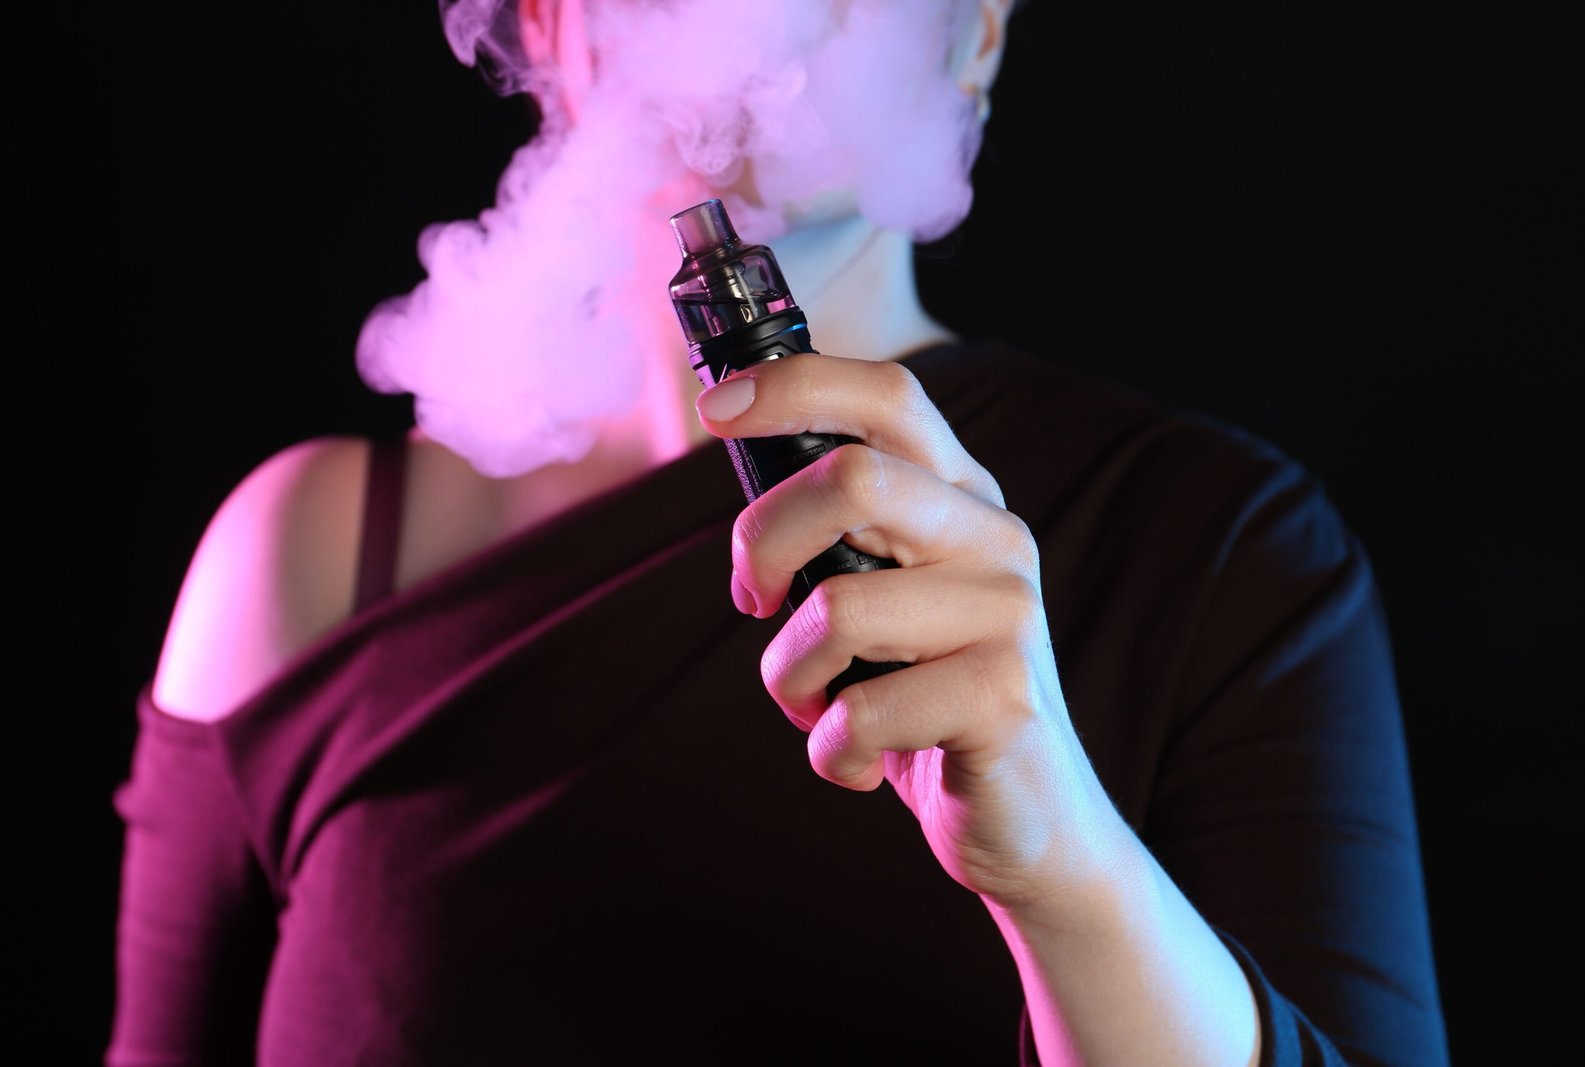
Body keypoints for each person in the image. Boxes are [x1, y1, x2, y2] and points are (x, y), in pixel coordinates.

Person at [108, 1, 1450, 1064]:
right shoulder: (308, 557)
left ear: (977, 33)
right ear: (553, 27)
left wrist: (1064, 867)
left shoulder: (1222, 551)